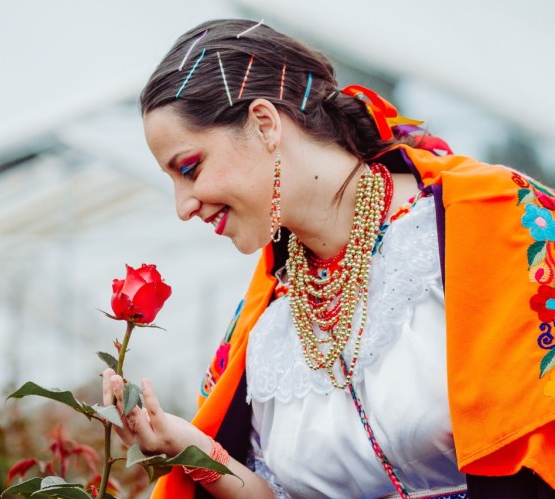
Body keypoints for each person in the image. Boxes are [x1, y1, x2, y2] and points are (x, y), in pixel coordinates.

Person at [102, 18, 555, 498]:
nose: (183, 207)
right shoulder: (267, 322)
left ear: (264, 124)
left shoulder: (490, 224)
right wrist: (190, 447)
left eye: (191, 168)